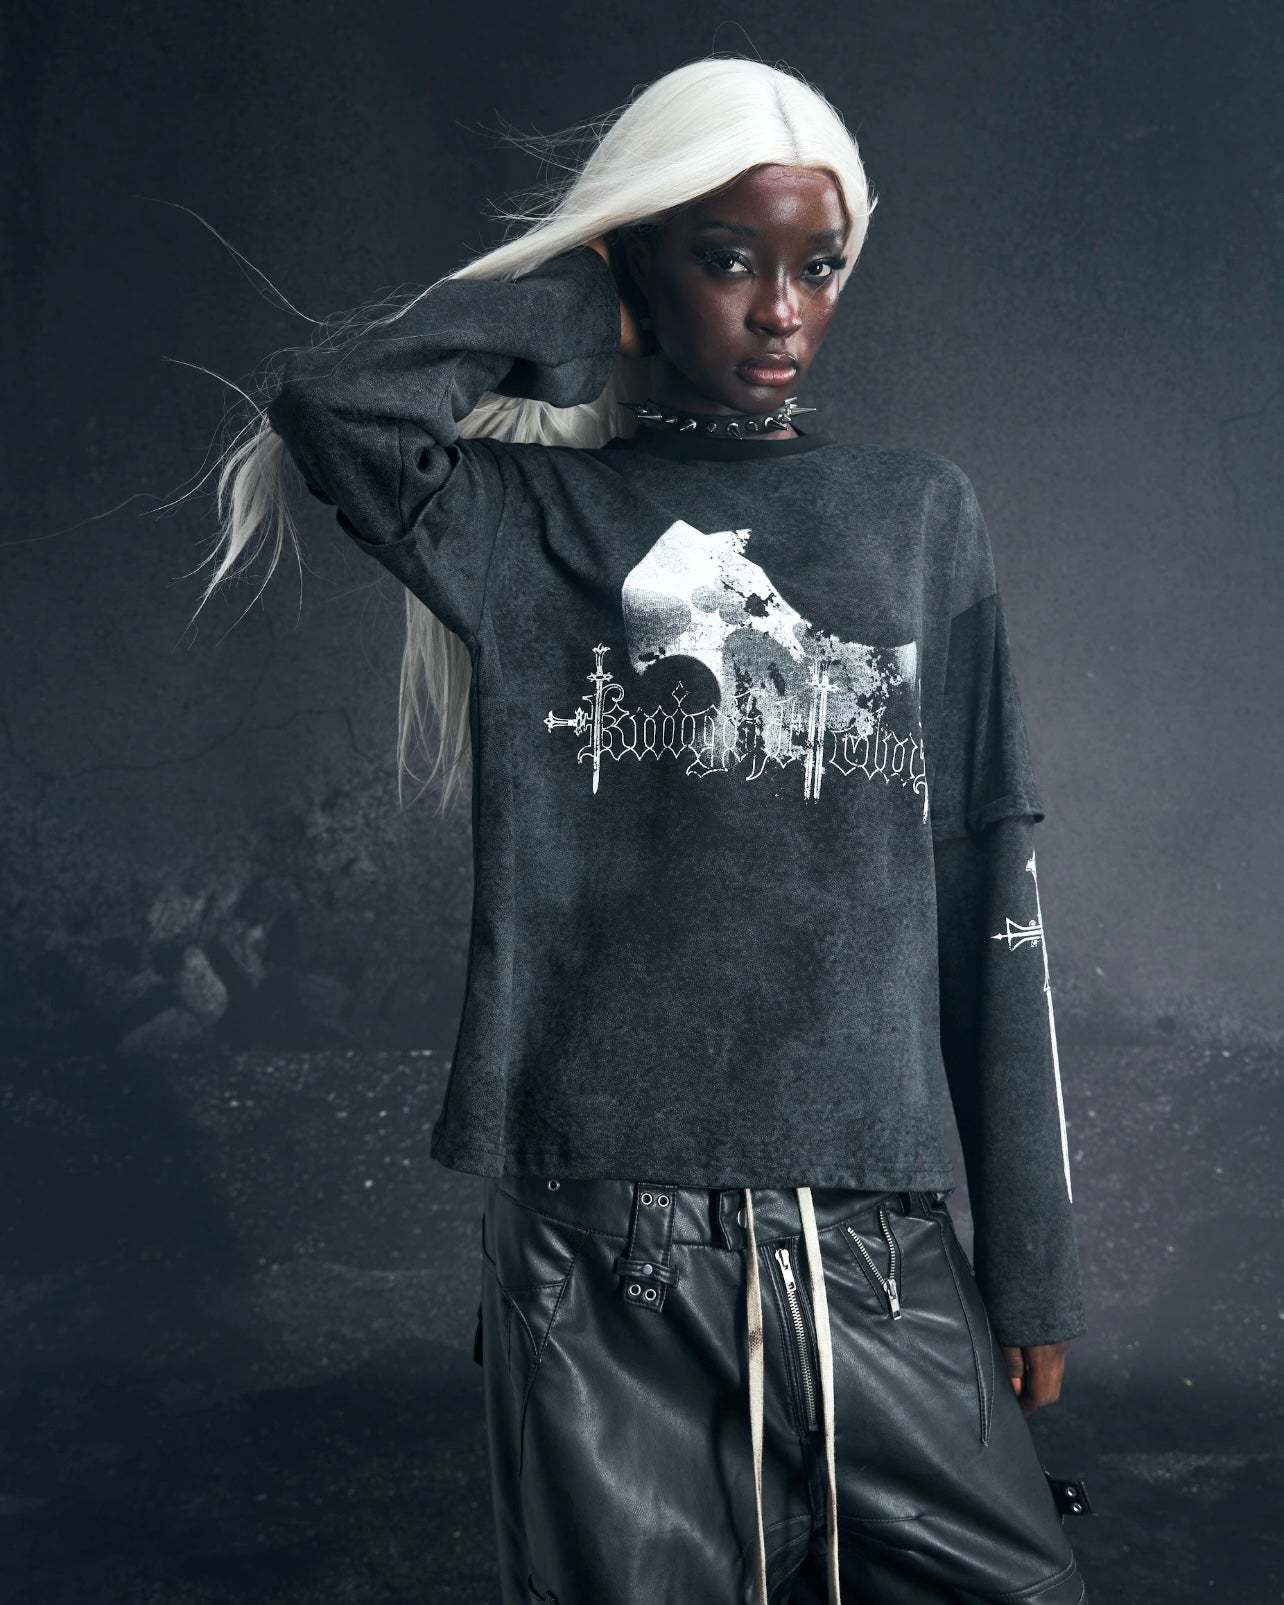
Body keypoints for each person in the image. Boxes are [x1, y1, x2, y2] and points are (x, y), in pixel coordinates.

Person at [200, 53, 1089, 1605]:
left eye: (820, 266)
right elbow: (335, 405)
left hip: (873, 1245)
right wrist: (581, 297)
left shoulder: (920, 516)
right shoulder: (530, 523)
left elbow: (986, 889)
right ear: (641, 267)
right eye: (730, 260)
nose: (783, 312)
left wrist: (1030, 1261)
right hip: (604, 1257)